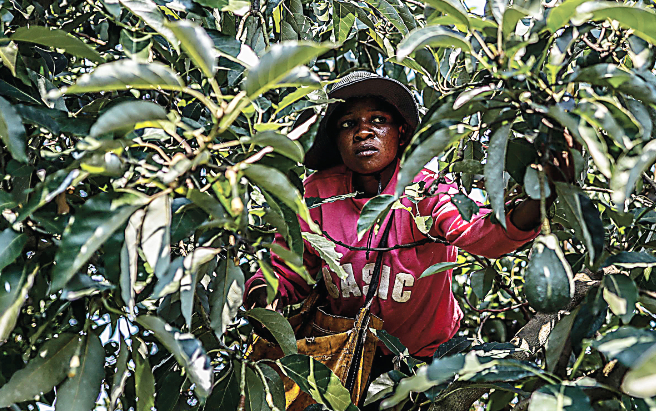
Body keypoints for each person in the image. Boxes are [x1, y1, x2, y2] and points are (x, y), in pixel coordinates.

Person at [243, 70, 572, 378]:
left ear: (400, 134)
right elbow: (286, 270)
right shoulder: (315, 194)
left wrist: (543, 192)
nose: (363, 131)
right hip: (343, 357)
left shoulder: (426, 190)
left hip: (427, 358)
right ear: (335, 140)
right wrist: (264, 301)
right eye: (347, 124)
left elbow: (483, 234)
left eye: (378, 120)